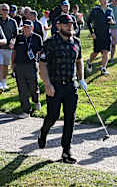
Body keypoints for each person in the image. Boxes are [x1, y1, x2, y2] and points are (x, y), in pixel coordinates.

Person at [38, 14, 86, 164]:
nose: (69, 26)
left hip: (71, 86)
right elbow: (43, 64)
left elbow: (79, 61)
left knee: (70, 118)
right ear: (58, 26)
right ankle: (44, 132)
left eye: (71, 24)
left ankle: (66, 150)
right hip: (55, 85)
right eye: (66, 24)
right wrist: (47, 84)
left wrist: (82, 79)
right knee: (53, 116)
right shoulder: (50, 43)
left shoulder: (76, 42)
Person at [12, 20, 43, 117]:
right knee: (22, 88)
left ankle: (36, 100)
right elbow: (15, 51)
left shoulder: (37, 38)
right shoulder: (19, 37)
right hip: (19, 65)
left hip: (31, 65)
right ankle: (26, 110)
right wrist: (12, 64)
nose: (26, 29)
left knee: (33, 86)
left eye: (28, 27)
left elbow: (41, 52)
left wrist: (41, 64)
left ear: (32, 28)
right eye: (24, 27)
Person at [86, 0, 114, 75]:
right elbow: (88, 22)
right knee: (96, 52)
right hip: (97, 35)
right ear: (99, 1)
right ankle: (89, 61)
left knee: (106, 51)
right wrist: (92, 33)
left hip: (107, 34)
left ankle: (103, 68)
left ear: (108, 0)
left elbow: (113, 21)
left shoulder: (110, 10)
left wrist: (112, 22)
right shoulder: (95, 10)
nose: (104, 1)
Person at [0, 4, 18, 92]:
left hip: (9, 48)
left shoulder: (12, 22)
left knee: (5, 66)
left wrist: (13, 40)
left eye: (7, 10)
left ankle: (4, 82)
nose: (5, 12)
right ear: (0, 11)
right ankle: (0, 84)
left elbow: (15, 35)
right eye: (3, 10)